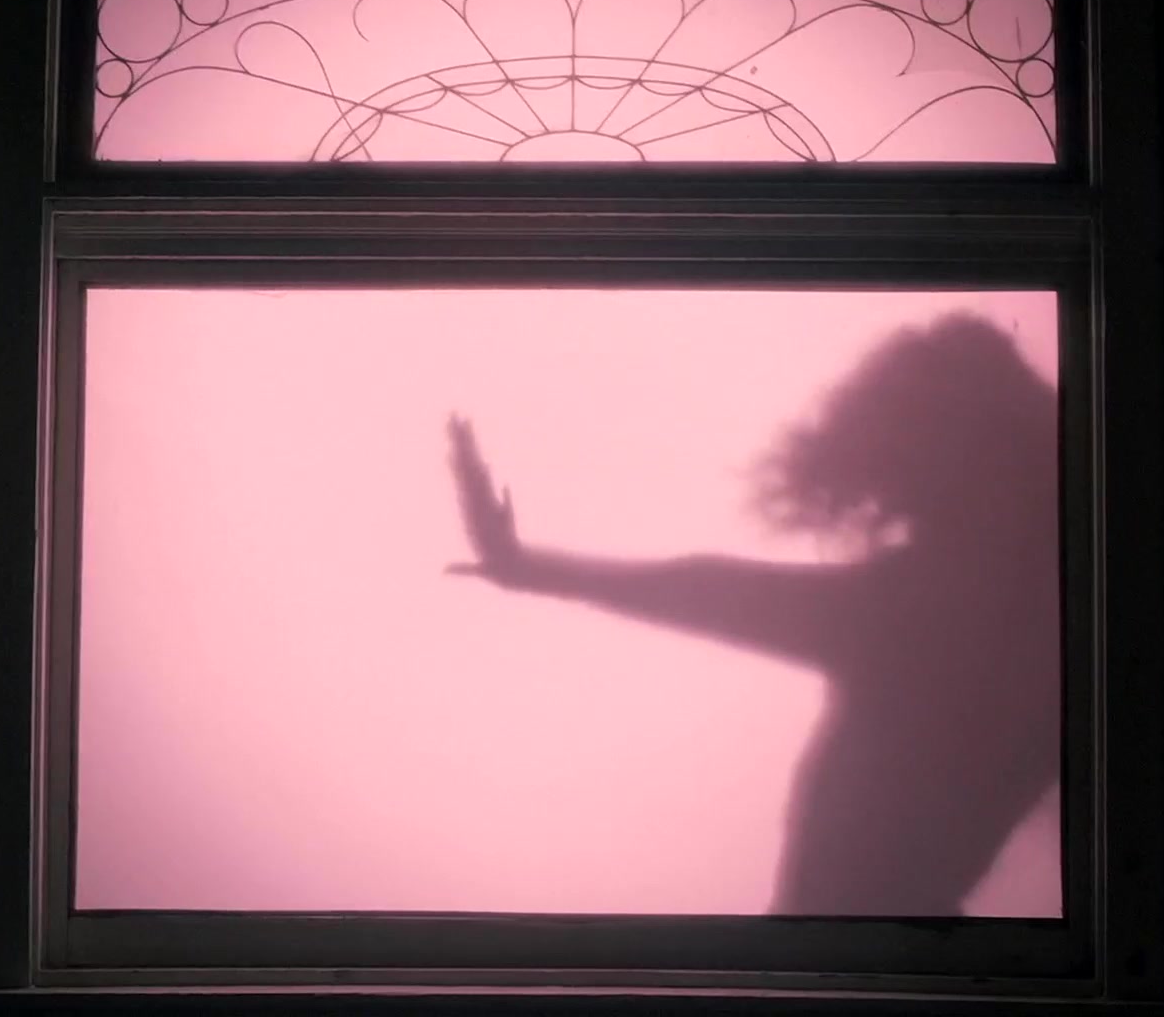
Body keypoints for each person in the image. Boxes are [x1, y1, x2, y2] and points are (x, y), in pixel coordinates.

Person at [444, 313, 1062, 916]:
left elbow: (703, 587)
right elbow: (705, 586)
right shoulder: (1052, 632)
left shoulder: (906, 612)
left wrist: (526, 566)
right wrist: (527, 567)